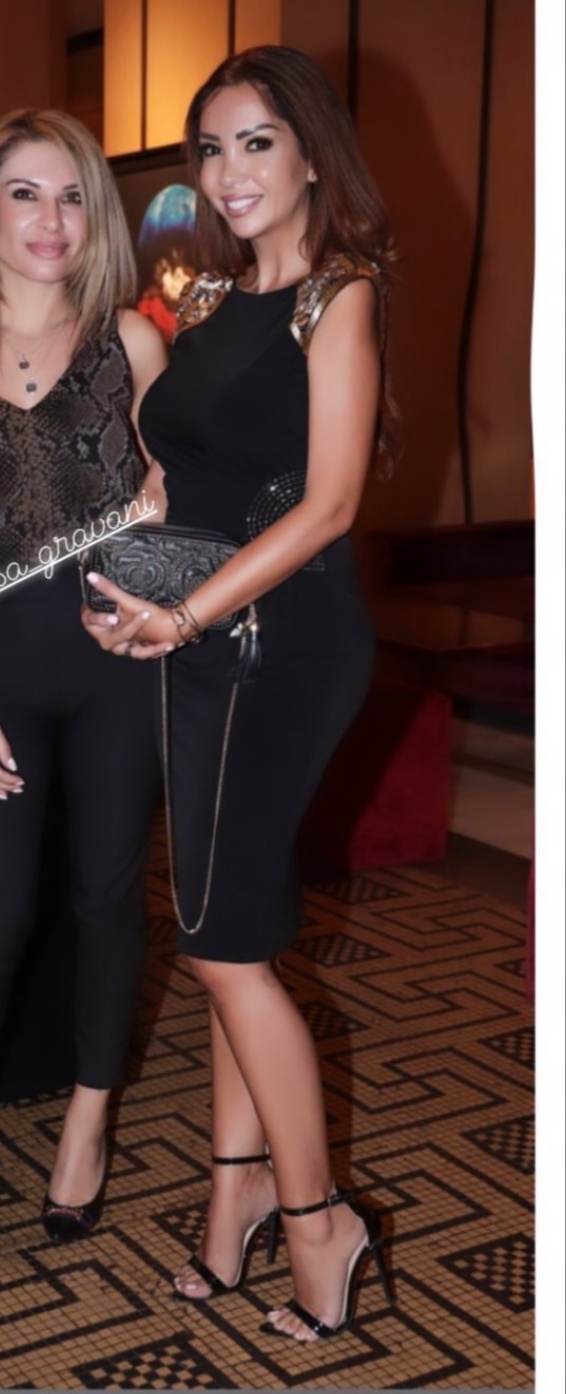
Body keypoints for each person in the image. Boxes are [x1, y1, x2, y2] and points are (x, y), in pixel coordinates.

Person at [83, 45, 395, 1341]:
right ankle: (235, 1197)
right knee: (228, 929)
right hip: (201, 627)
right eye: (211, 148)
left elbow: (329, 503)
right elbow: (186, 467)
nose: (228, 170)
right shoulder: (209, 293)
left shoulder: (339, 294)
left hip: (284, 639)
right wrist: (140, 546)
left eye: (256, 141)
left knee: (216, 948)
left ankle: (318, 1219)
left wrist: (186, 609)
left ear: (311, 152)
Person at [0, 110, 168, 1242]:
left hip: (116, 664)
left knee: (108, 897)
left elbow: (183, 497)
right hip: (2, 678)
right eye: (23, 193)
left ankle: (87, 1124)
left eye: (71, 195)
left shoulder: (133, 342)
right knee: (4, 914)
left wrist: (164, 504)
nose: (50, 220)